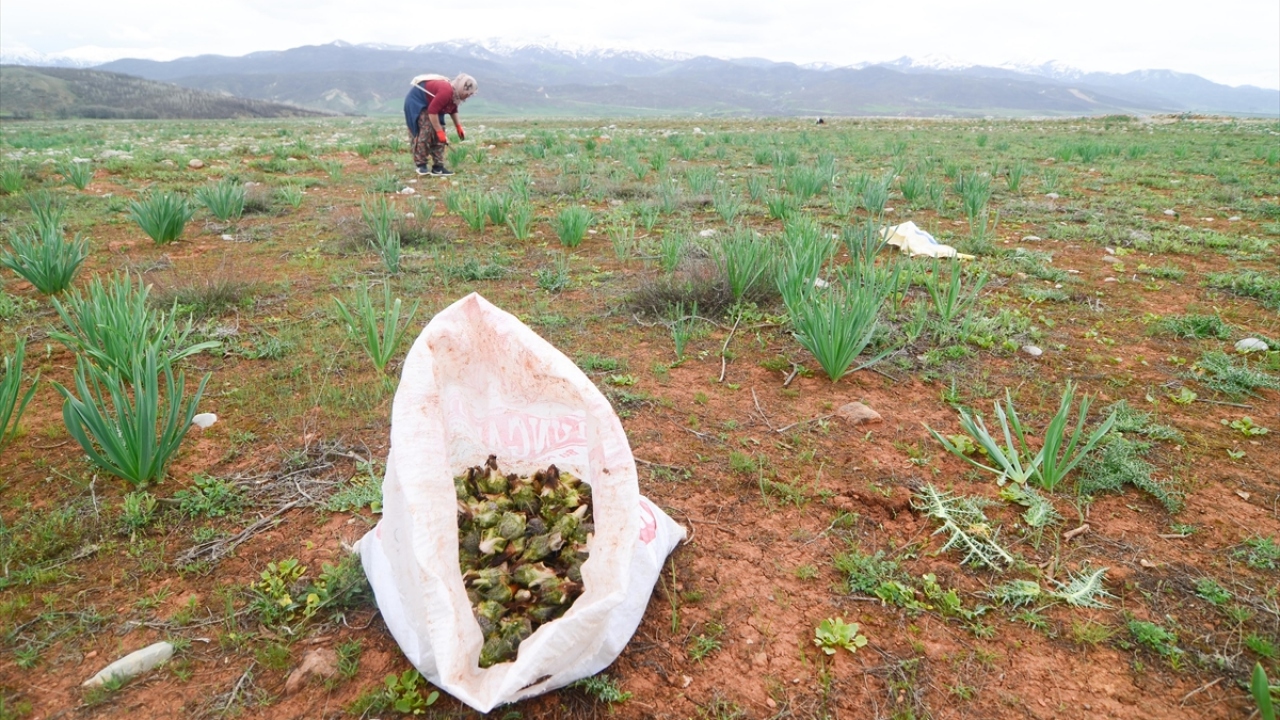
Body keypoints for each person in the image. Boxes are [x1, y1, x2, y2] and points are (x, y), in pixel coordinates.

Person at [403, 73, 477, 176]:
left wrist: (458, 126)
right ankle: (421, 164)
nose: (468, 96)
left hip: (432, 104)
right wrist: (439, 131)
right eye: (468, 93)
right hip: (418, 102)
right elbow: (432, 111)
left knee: (441, 134)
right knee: (426, 130)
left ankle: (438, 167)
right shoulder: (446, 92)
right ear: (462, 88)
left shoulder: (455, 96)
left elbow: (453, 109)